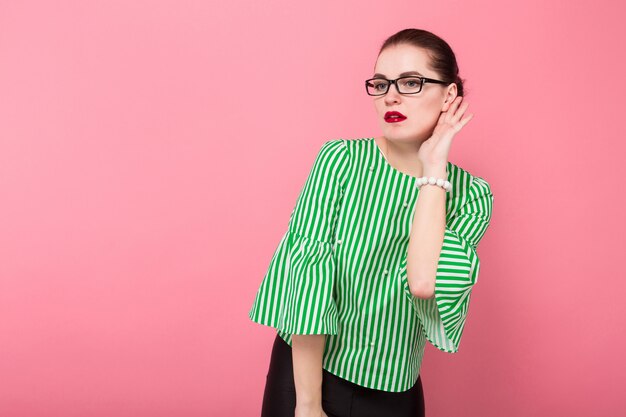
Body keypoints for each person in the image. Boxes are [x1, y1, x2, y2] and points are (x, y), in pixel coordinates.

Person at [248, 28, 495, 417]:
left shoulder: (471, 194)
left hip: (394, 392)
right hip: (309, 376)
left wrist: (434, 169)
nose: (390, 96)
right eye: (381, 84)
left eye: (411, 82)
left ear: (449, 96)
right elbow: (308, 281)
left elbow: (424, 281)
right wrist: (308, 405)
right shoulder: (341, 160)